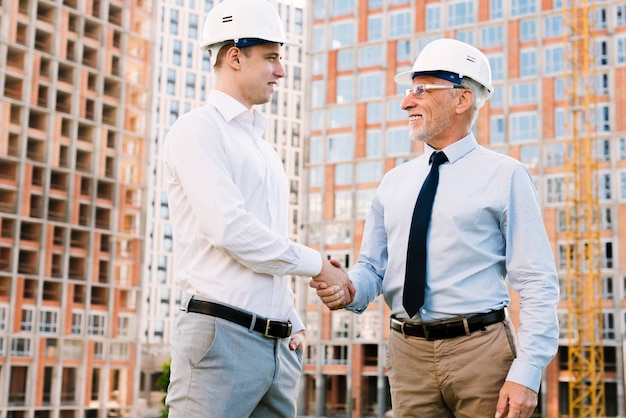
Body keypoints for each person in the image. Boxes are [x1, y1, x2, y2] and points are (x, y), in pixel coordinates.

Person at [311, 38, 559, 418]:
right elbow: (373, 269)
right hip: (407, 355)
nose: (406, 102)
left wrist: (527, 372)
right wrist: (349, 288)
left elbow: (537, 281)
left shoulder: (505, 175)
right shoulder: (393, 182)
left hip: (482, 353)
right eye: (410, 90)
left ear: (462, 100)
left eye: (421, 90)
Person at [162, 0, 352, 416]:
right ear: (234, 57)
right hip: (220, 341)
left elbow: (266, 240)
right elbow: (230, 231)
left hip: (277, 347)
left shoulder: (264, 150)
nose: (281, 71)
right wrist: (317, 263)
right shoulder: (197, 130)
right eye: (271, 58)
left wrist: (288, 314)